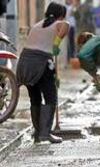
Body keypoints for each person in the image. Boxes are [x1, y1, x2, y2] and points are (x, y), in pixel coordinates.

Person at [16, 2, 69, 144]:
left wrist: (55, 73)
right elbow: (66, 26)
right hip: (41, 63)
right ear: (61, 15)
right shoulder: (60, 23)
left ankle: (38, 133)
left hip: (25, 62)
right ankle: (45, 133)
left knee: (35, 98)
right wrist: (57, 43)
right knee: (51, 97)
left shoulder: (36, 25)